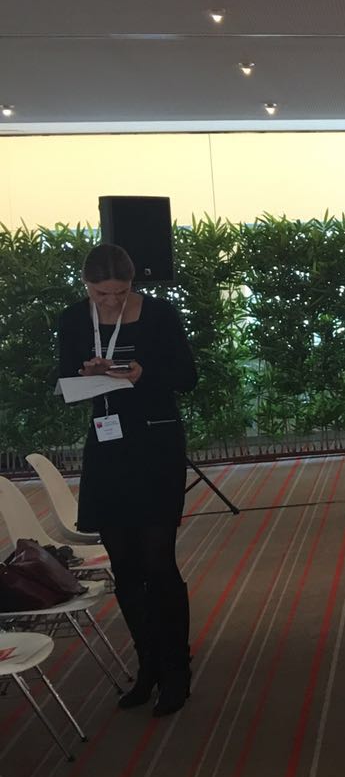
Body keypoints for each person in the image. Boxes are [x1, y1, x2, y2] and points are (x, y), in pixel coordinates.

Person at [55, 242, 197, 716]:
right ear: (86, 286)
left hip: (156, 443)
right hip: (107, 445)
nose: (111, 302)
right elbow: (64, 380)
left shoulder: (160, 315)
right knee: (126, 567)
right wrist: (88, 372)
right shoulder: (73, 320)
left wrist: (141, 373)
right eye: (101, 294)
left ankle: (177, 669)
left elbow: (187, 376)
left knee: (158, 561)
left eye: (120, 293)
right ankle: (148, 665)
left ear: (133, 284)